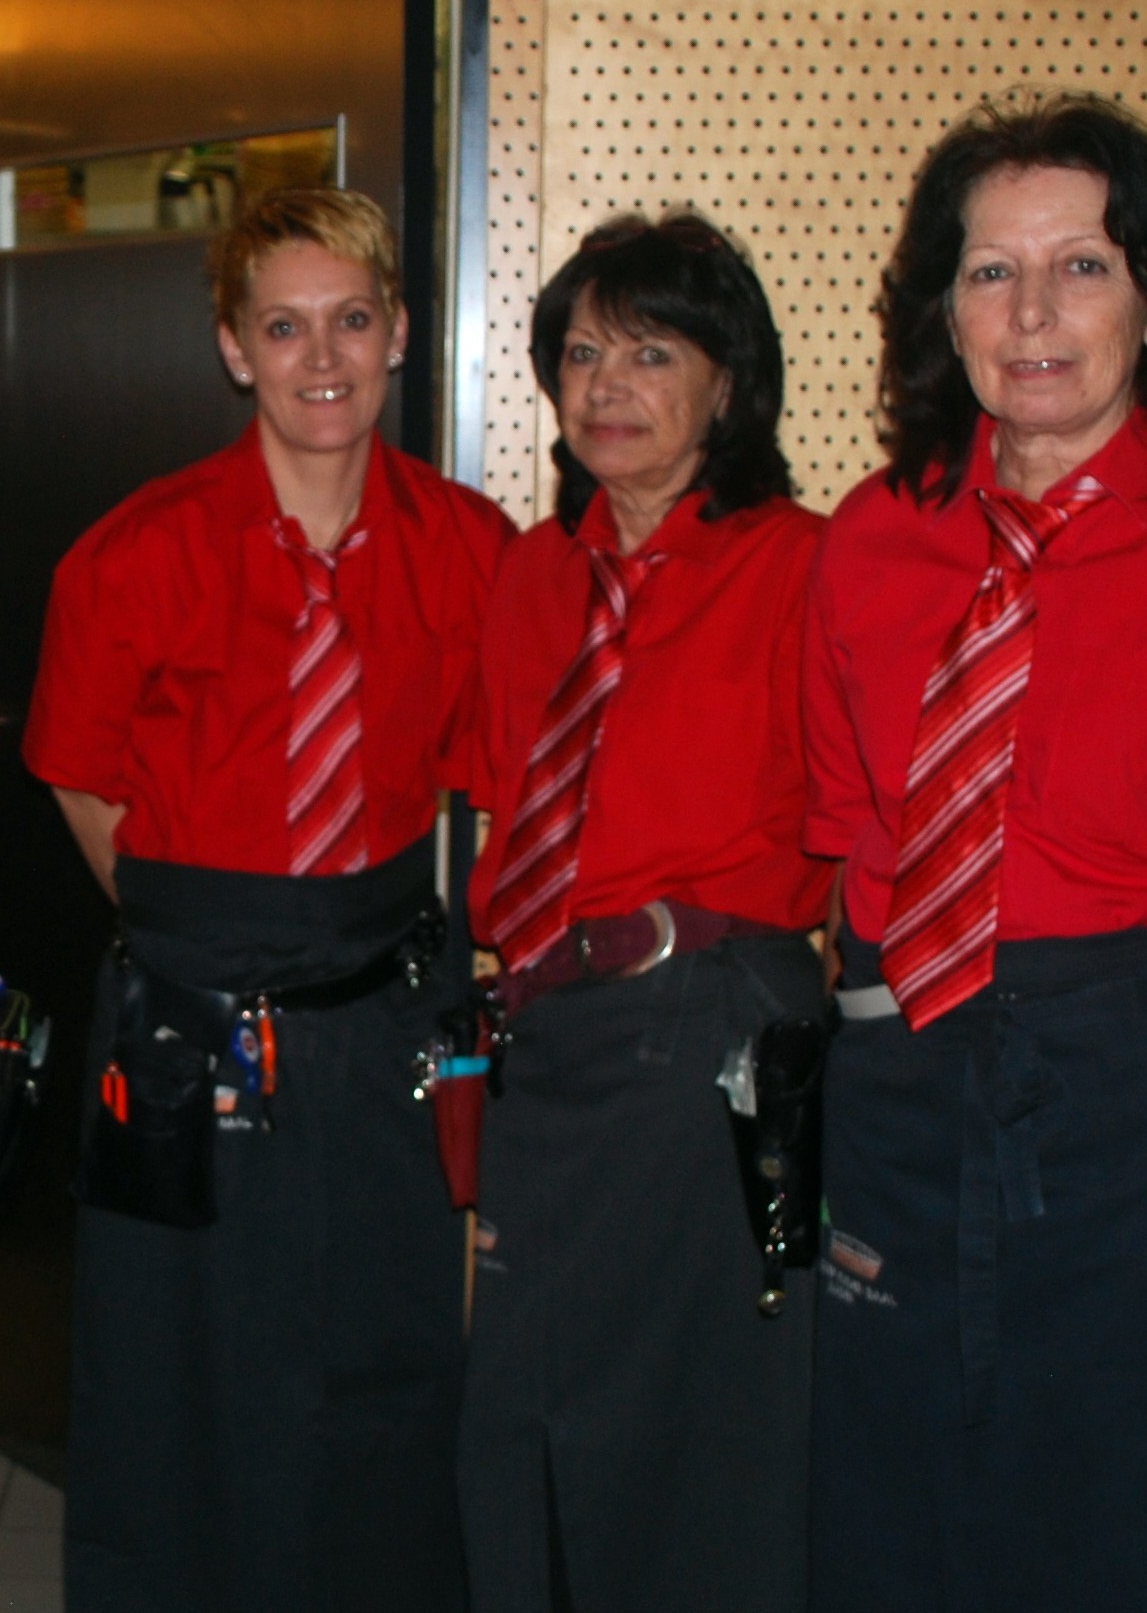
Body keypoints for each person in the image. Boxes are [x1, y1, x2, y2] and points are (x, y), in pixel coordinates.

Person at [805, 91, 1147, 1611]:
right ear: (946, 310)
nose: (1033, 312)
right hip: (906, 1097)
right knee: (905, 1529)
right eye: (992, 271)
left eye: (1082, 266)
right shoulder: (872, 536)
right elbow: (852, 844)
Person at [25, 186, 511, 1613]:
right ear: (235, 348)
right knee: (173, 1376)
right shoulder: (132, 554)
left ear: (399, 332)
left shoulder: (474, 550)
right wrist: (204, 950)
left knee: (385, 1365)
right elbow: (80, 782)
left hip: (382, 1011)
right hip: (187, 1018)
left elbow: (489, 792)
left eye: (351, 321)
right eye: (285, 327)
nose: (322, 359)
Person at [453, 211, 828, 1613]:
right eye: (581, 353)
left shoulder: (805, 565)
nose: (606, 385)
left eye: (652, 353)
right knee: (526, 1428)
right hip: (551, 1036)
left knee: (694, 1441)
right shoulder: (533, 574)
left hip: (711, 1030)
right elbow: (504, 803)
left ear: (728, 385)